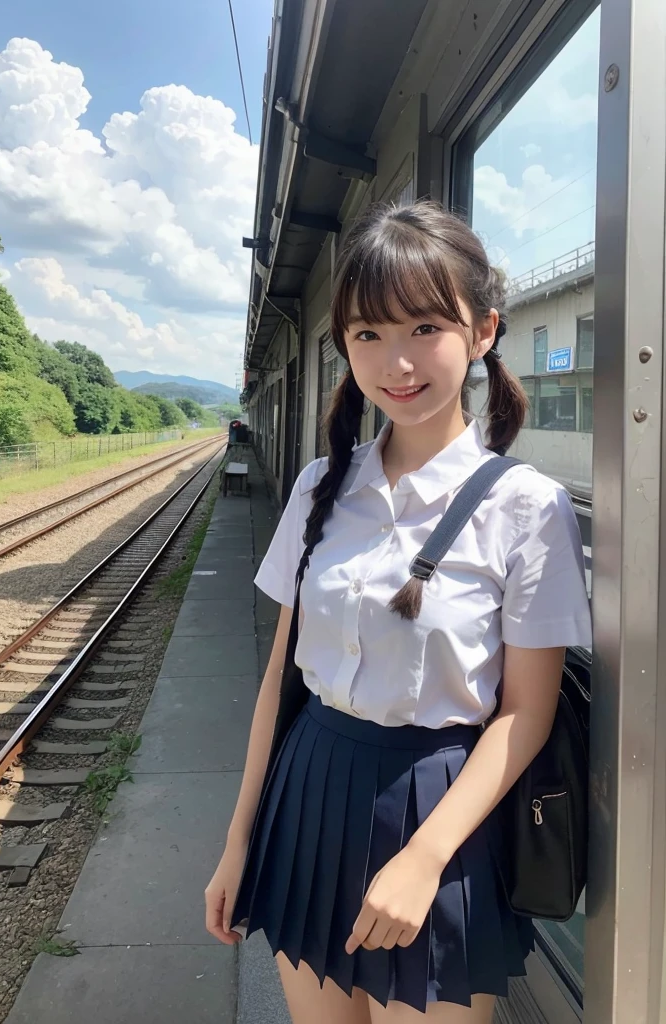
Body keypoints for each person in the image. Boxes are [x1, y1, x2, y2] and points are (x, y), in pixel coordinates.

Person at [204, 200, 592, 1023]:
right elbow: (281, 681)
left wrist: (424, 856)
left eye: (424, 327)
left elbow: (526, 713)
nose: (396, 362)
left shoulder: (527, 506)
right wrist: (240, 840)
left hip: (441, 814)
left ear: (483, 332)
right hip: (305, 795)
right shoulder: (320, 486)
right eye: (368, 334)